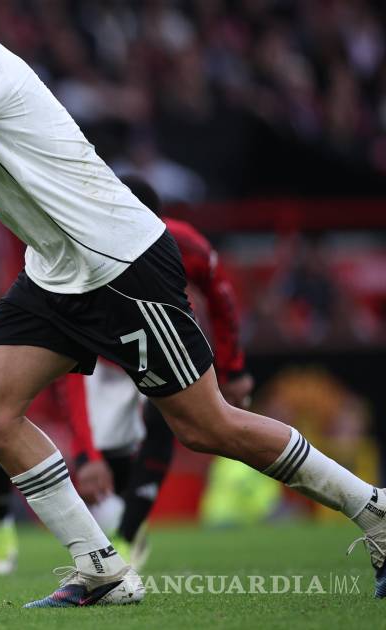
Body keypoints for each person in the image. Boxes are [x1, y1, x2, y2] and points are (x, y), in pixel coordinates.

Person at [0, 0, 386, 606]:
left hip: (120, 262)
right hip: (57, 274)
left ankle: (374, 510)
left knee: (207, 426)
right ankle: (102, 569)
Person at [81, 175, 254, 570]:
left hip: (163, 349)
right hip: (108, 360)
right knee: (107, 455)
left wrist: (234, 367)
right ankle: (128, 523)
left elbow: (221, 294)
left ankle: (126, 535)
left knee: (163, 425)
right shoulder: (90, 242)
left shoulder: (184, 242)